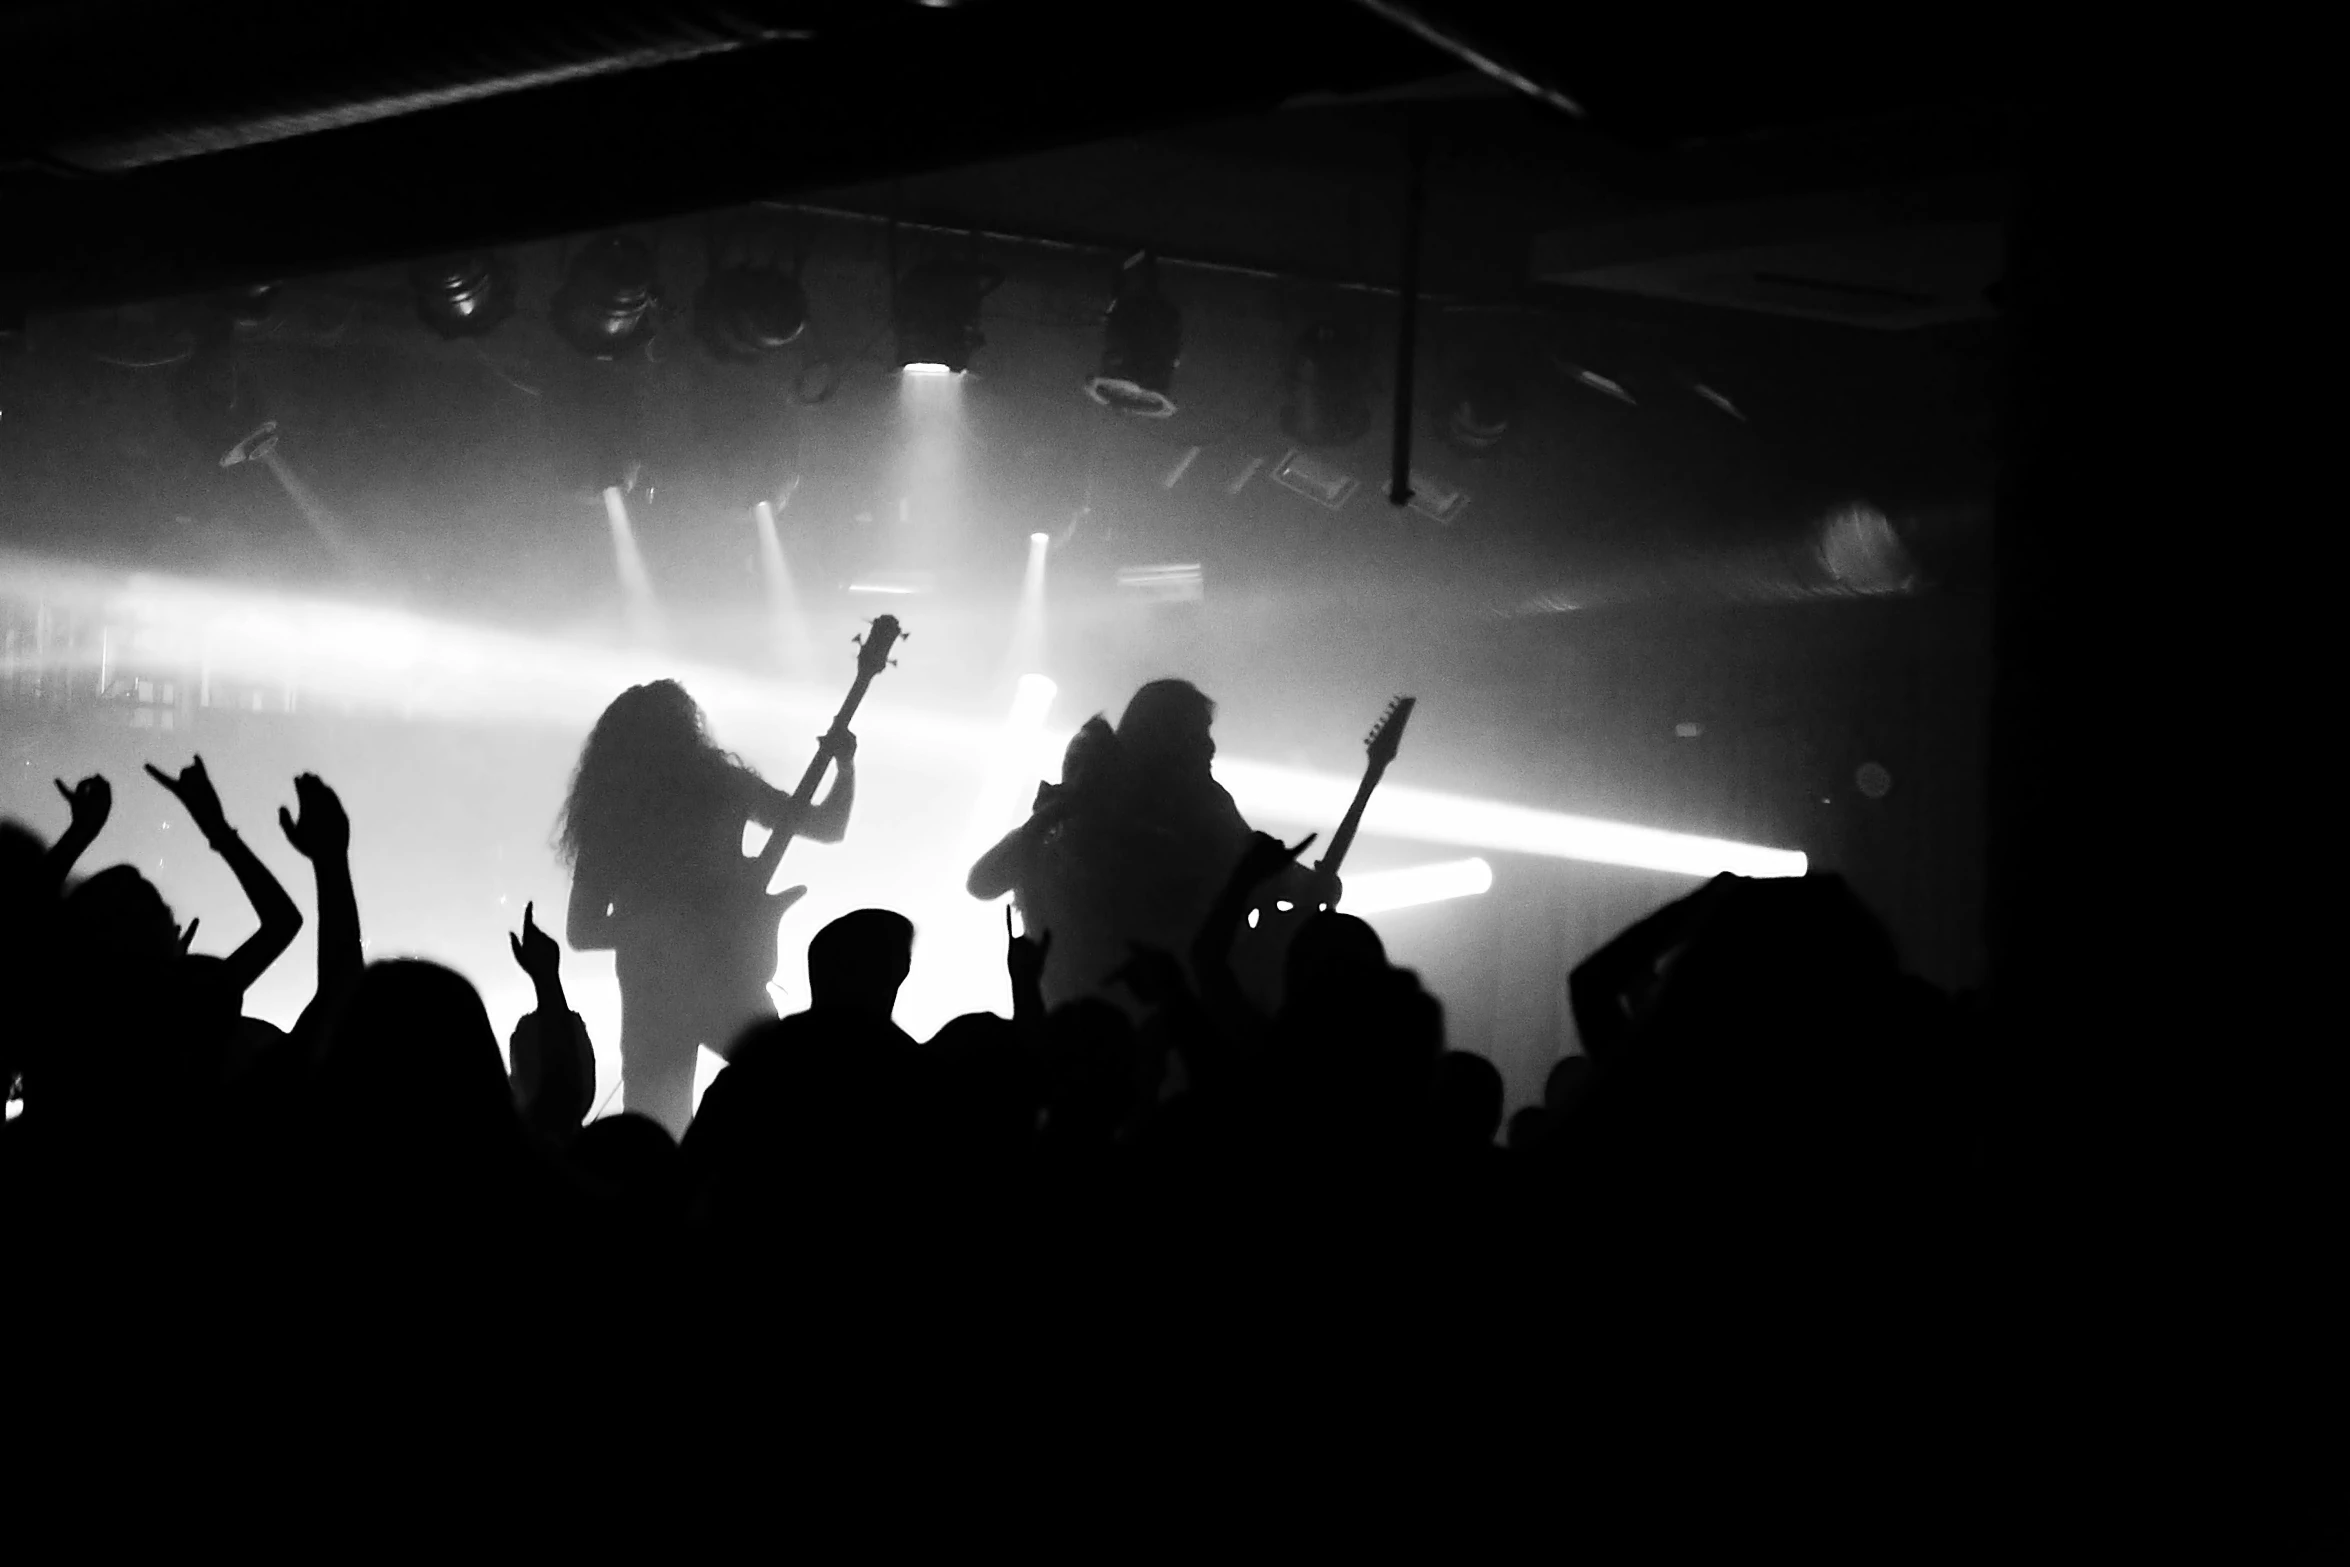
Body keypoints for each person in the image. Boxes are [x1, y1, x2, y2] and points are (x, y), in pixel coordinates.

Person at [557, 679, 856, 1138]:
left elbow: (582, 930)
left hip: (659, 991)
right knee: (791, 1101)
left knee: (658, 1136)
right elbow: (828, 825)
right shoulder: (721, 786)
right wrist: (845, 766)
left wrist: (658, 925)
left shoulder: (610, 813)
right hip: (719, 978)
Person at [966, 680, 1309, 1011]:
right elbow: (983, 882)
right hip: (1157, 1019)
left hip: (1085, 1017)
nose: (1210, 746)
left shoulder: (1074, 815)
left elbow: (982, 883)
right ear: (1165, 735)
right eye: (1198, 732)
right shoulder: (1191, 808)